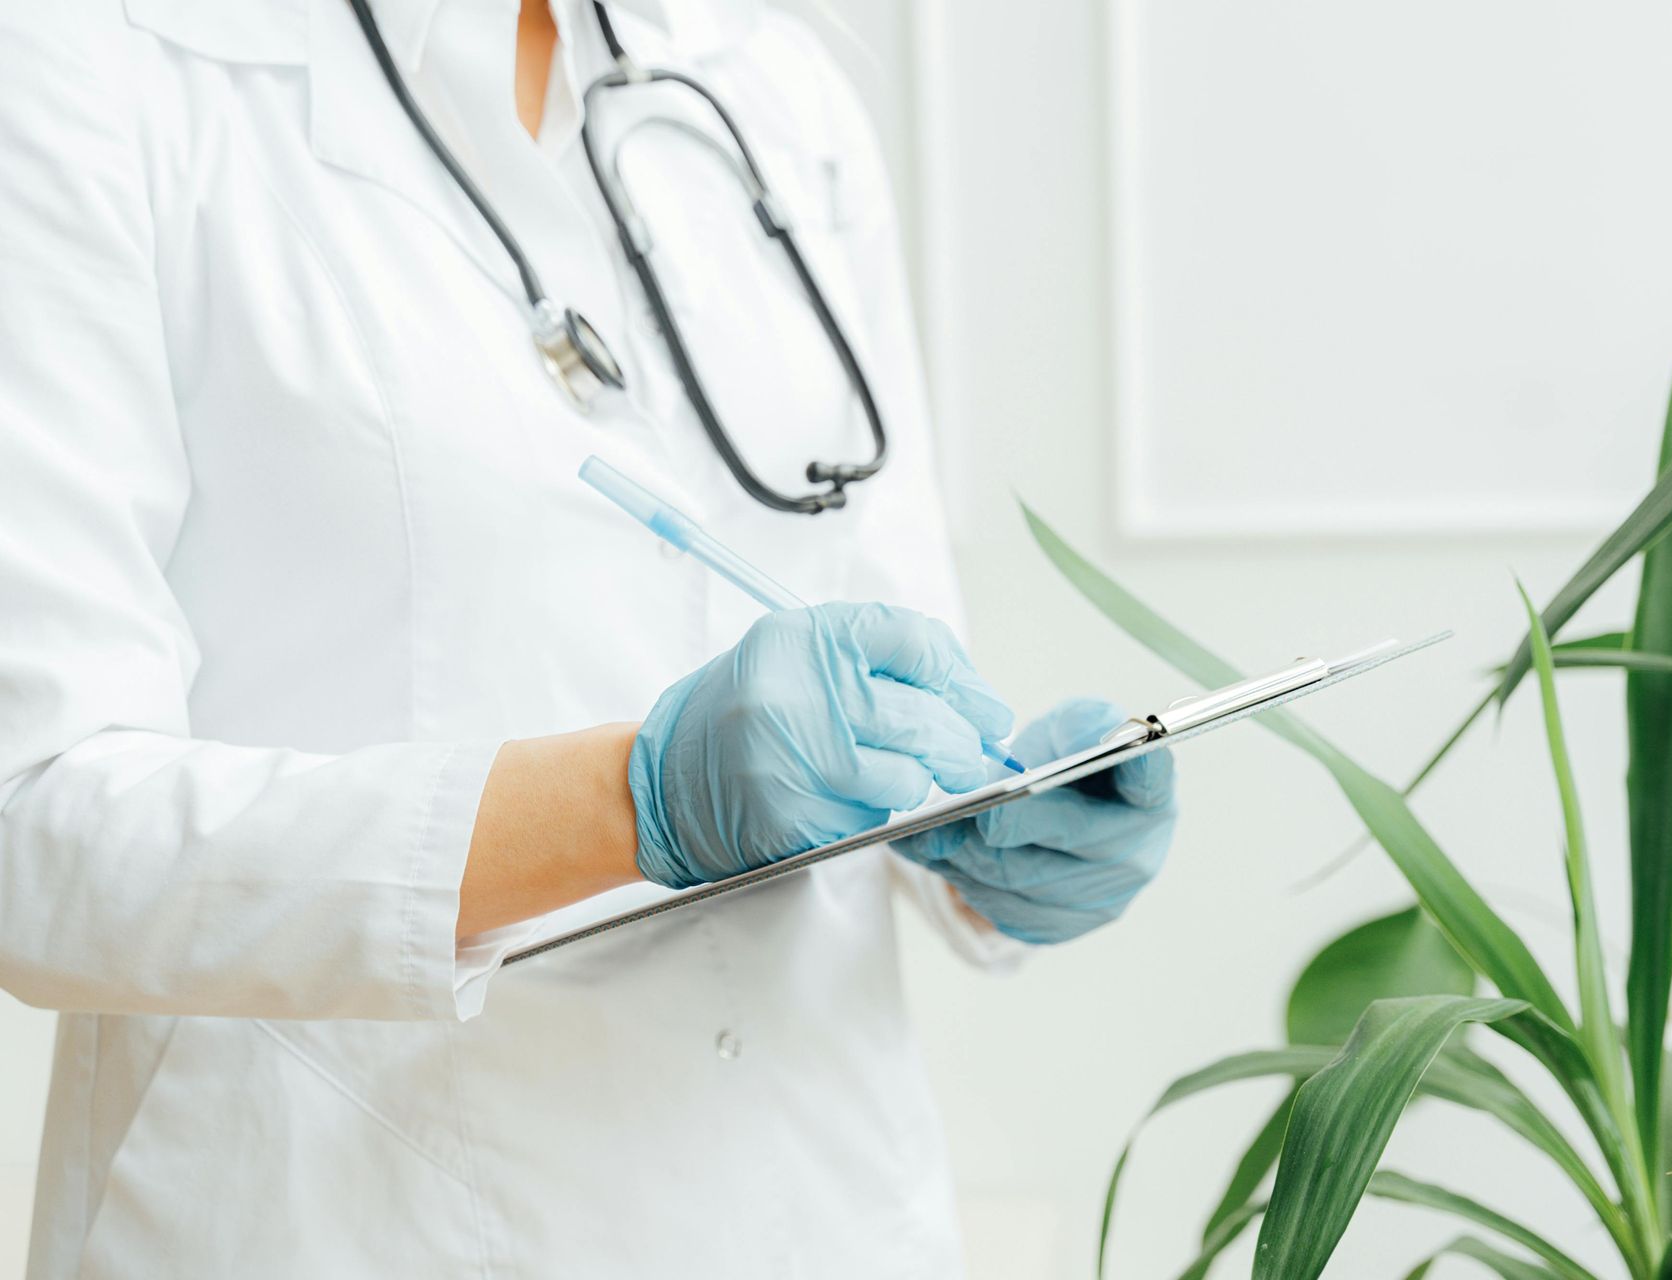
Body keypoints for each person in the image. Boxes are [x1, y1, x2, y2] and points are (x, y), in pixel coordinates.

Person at [0, 0, 1177, 1275]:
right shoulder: (83, 63)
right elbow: (33, 823)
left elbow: (891, 650)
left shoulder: (768, 79)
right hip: (344, 1218)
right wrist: (639, 800)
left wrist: (992, 820)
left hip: (826, 1206)